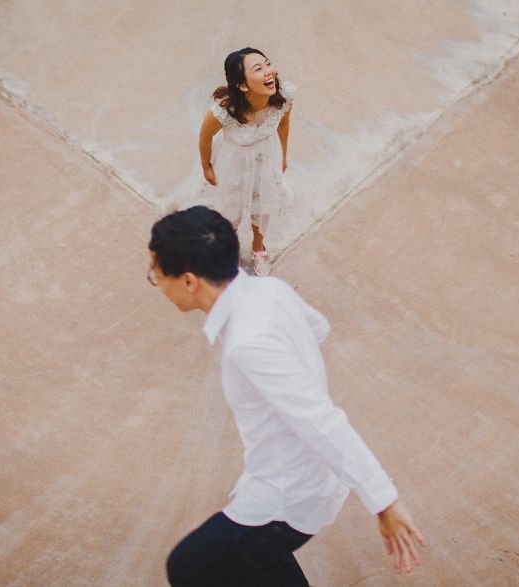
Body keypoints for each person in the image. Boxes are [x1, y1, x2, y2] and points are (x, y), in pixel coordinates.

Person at [148, 206, 426, 586]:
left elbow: (320, 420)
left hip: (285, 499)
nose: (157, 283)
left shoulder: (250, 343)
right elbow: (319, 327)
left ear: (190, 281)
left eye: (157, 274)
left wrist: (384, 501)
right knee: (256, 561)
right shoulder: (269, 290)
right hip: (302, 483)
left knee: (188, 566)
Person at [198, 47, 295, 277]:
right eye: (258, 69)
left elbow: (283, 124)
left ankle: (258, 248)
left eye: (268, 64)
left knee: (263, 204)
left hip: (265, 158)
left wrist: (283, 155)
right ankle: (230, 250)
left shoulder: (285, 95)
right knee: (230, 211)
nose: (269, 71)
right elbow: (205, 136)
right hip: (234, 164)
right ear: (242, 85)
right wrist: (206, 166)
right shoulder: (224, 111)